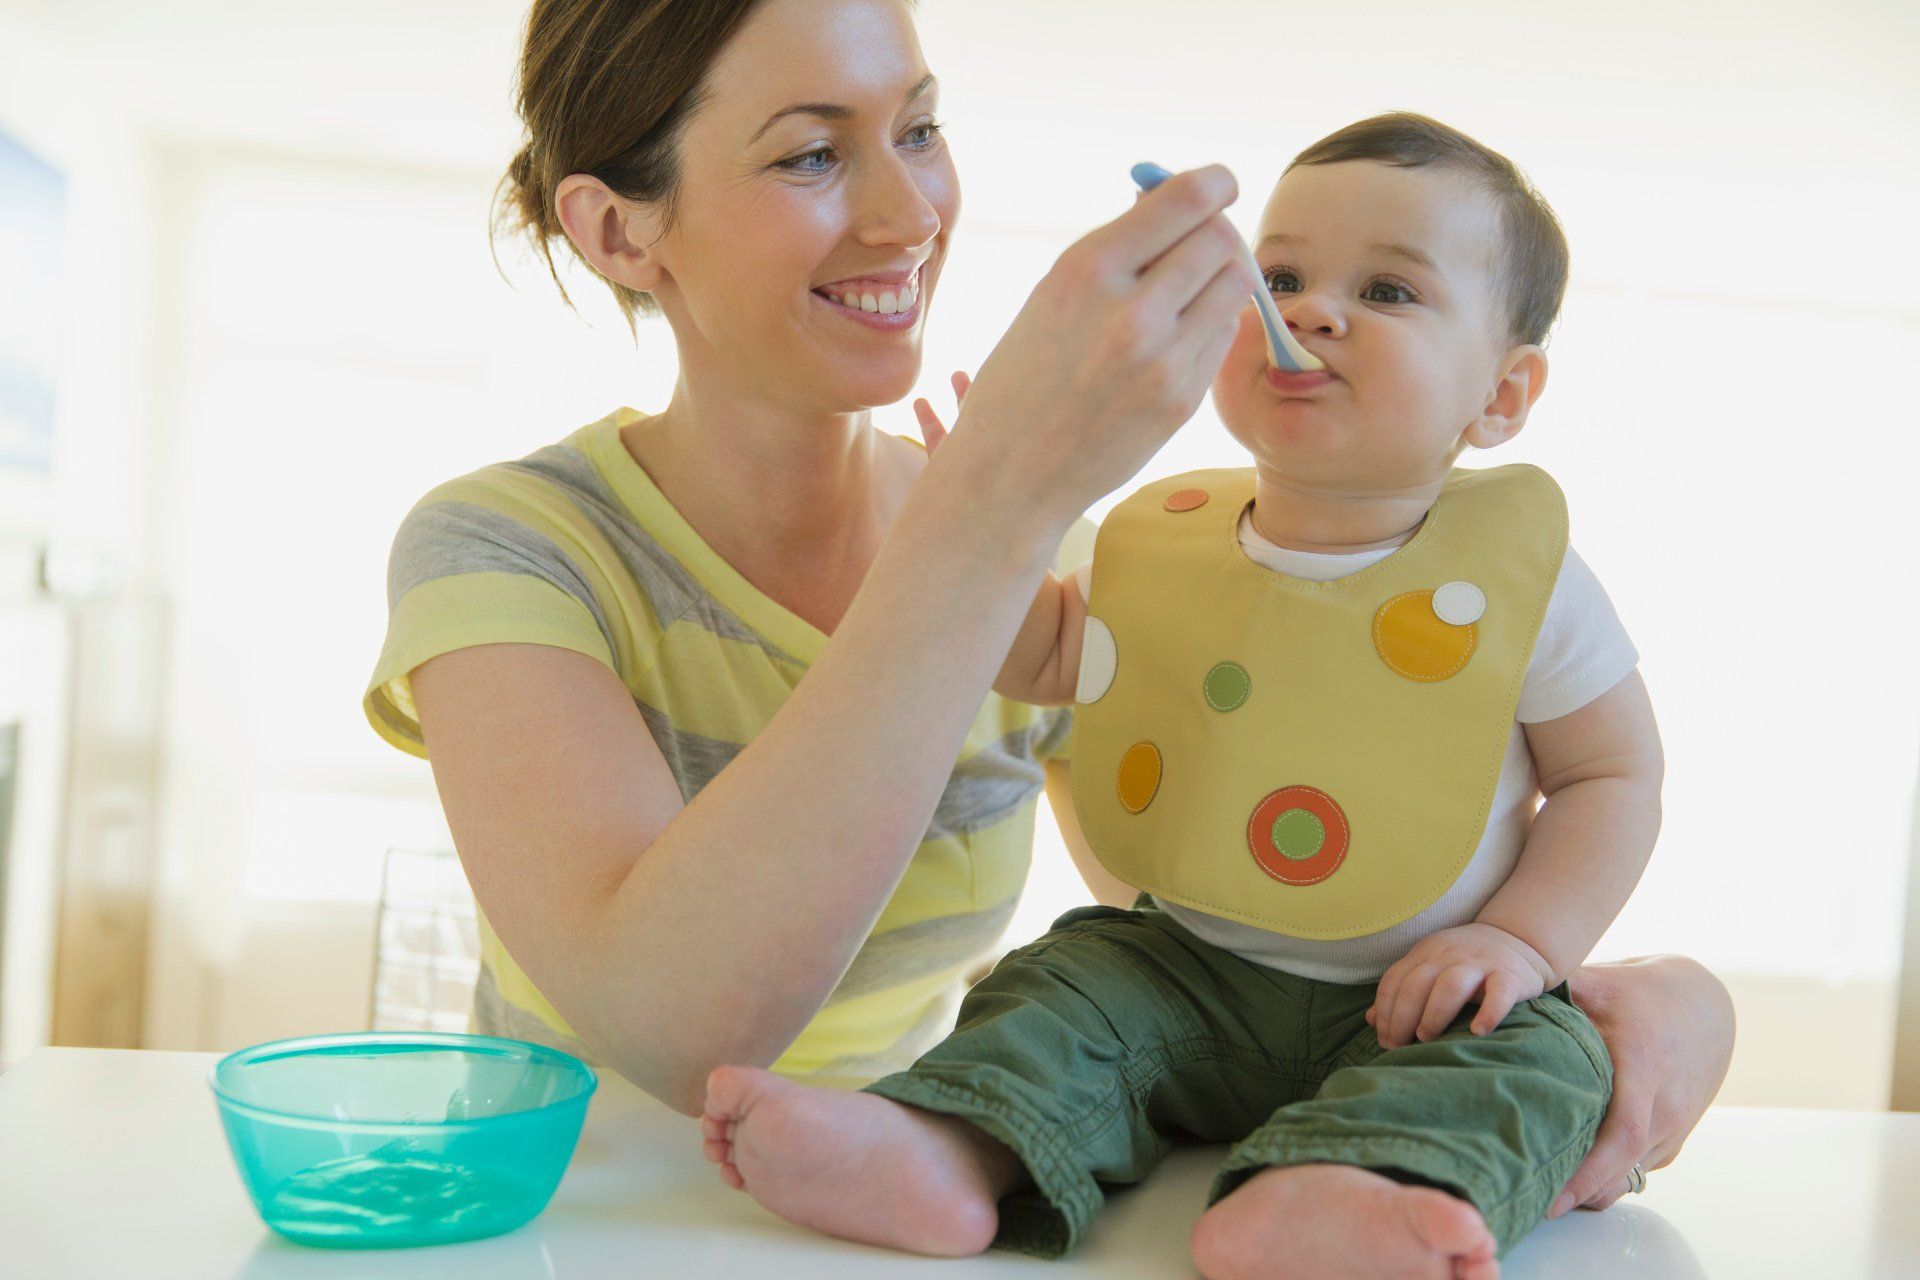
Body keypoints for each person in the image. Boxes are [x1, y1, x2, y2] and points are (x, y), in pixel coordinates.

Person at [360, 0, 1731, 1247]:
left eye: (920, 129)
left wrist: (1623, 998)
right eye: (810, 156)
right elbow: (684, 1033)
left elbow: (1213, 935)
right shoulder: (512, 548)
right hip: (573, 1229)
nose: (909, 213)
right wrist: (988, 511)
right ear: (618, 228)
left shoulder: (1071, 567)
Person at [699, 112, 1683, 1279]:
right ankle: (947, 1150)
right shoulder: (1165, 540)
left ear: (1504, 393)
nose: (1314, 309)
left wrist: (1520, 943)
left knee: (1544, 1058)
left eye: (1388, 289)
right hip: (1179, 970)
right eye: (1282, 277)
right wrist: (990, 516)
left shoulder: (1526, 583)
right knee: (1062, 985)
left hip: (1420, 997)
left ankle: (1340, 1193)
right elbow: (1047, 655)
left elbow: (1610, 773)